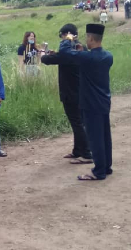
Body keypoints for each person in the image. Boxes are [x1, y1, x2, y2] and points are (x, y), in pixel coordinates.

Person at [58, 24, 113, 181]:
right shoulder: (108, 56)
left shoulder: (86, 58)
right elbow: (92, 59)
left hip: (90, 104)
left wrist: (68, 39)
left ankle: (98, 171)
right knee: (104, 137)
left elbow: (65, 52)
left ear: (90, 38)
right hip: (103, 102)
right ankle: (106, 167)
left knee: (95, 139)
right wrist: (85, 52)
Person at [40, 24, 93, 165]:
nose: (62, 39)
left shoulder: (68, 49)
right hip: (80, 90)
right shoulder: (81, 47)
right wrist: (55, 54)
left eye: (62, 36)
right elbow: (61, 57)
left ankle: (87, 153)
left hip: (71, 91)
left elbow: (48, 60)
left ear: (67, 34)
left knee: (77, 123)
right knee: (79, 122)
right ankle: (78, 150)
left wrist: (44, 54)